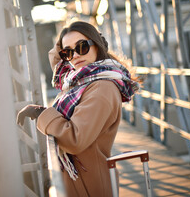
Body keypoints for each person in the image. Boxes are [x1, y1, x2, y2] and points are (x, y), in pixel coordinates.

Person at [17, 21, 140, 197]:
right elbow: (58, 60)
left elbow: (75, 139)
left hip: (89, 185)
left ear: (96, 46)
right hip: (82, 178)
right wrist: (66, 38)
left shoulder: (101, 87)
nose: (75, 55)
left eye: (82, 47)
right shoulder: (79, 81)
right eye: (67, 52)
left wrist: (41, 114)